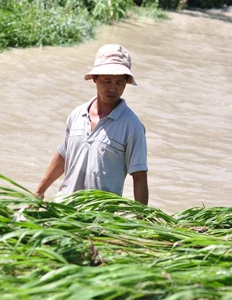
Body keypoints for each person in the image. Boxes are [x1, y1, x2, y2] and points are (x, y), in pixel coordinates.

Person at [34, 44, 149, 205]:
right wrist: (39, 191)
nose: (112, 88)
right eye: (107, 81)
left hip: (100, 217)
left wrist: (142, 220)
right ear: (95, 79)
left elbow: (139, 175)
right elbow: (63, 156)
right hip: (63, 207)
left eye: (119, 83)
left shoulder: (132, 126)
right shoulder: (77, 115)